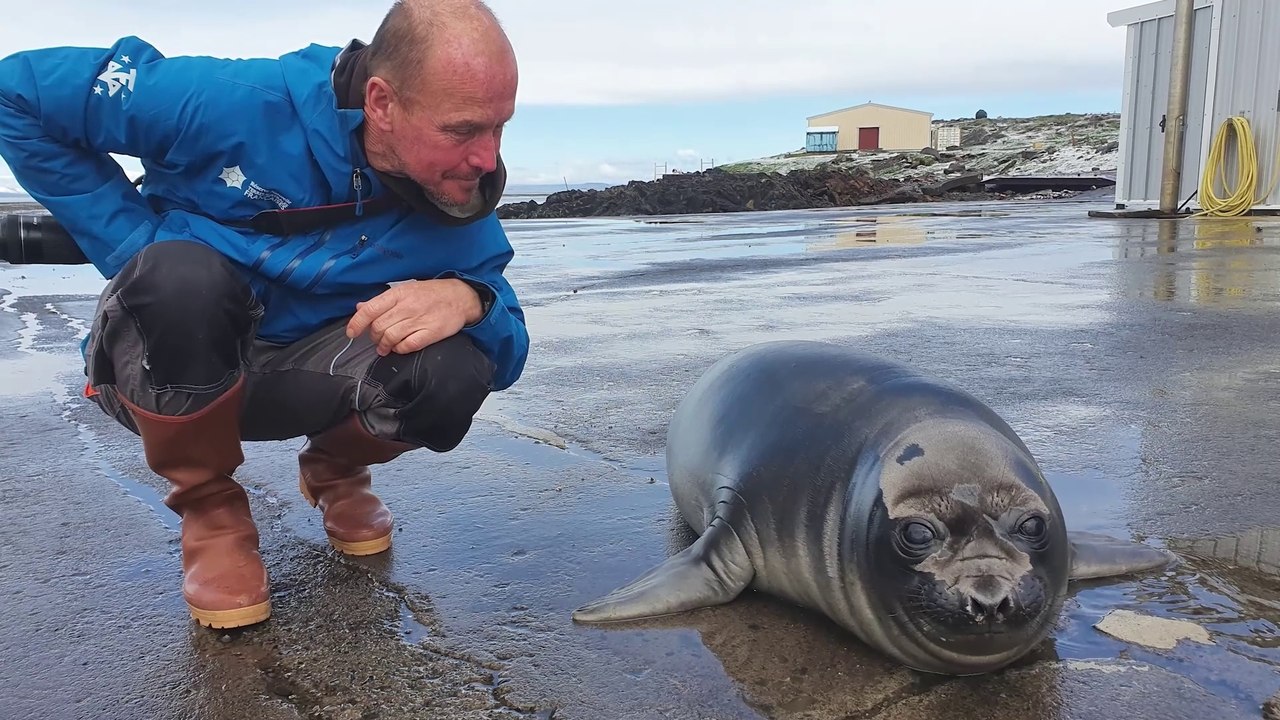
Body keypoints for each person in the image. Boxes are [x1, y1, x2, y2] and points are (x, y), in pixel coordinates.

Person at [0, 0, 529, 630]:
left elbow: (510, 348)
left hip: (307, 378)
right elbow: (17, 94)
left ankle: (334, 468)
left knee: (454, 368)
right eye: (463, 130)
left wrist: (471, 300)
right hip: (162, 366)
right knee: (178, 274)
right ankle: (210, 510)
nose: (488, 160)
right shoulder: (225, 102)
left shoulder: (456, 206)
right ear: (382, 103)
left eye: (500, 127)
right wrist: (135, 249)